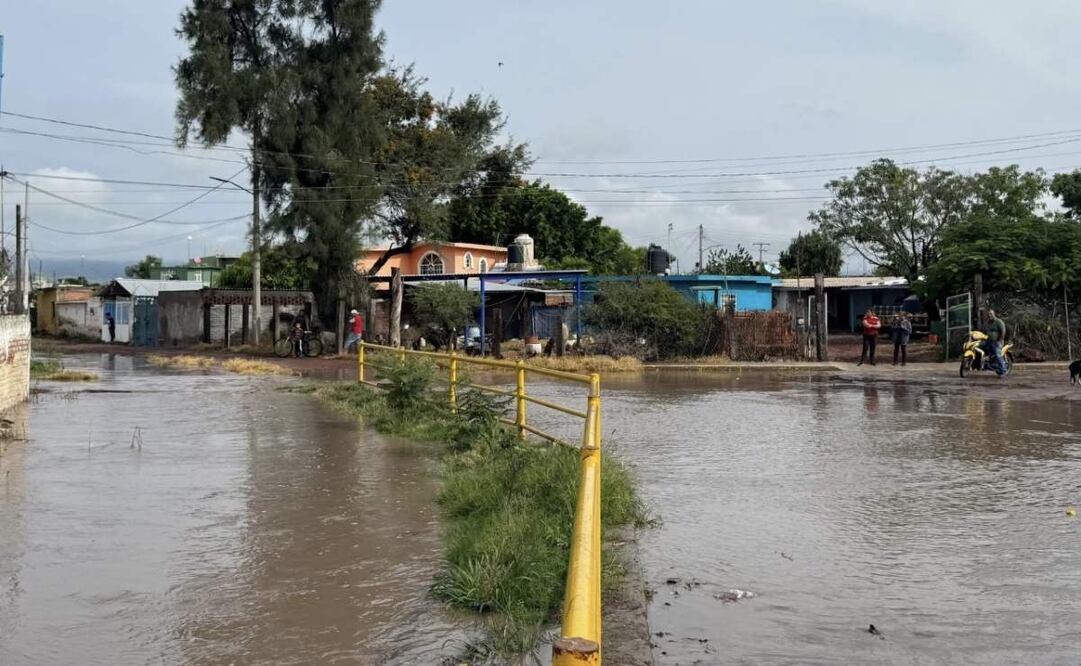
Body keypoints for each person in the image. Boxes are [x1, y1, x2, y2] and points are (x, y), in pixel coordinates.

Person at [985, 309, 1007, 375]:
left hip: (997, 342)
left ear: (994, 314)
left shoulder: (998, 322)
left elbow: (1003, 332)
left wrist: (999, 341)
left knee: (997, 355)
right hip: (989, 341)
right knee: (981, 348)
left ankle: (1003, 370)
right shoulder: (988, 323)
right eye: (988, 314)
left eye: (991, 314)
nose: (989, 315)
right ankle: (987, 365)